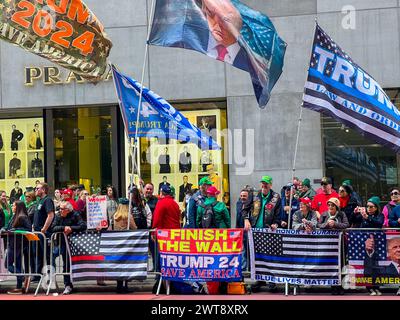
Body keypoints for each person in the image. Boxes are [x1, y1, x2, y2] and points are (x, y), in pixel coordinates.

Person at [194, 0, 249, 71]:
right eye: (210, 14)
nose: (217, 23)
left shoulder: (244, 53)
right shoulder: (202, 43)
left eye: (224, 18)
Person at [249, 176, 281, 293]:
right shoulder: (254, 195)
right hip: (255, 231)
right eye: (262, 183)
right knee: (257, 257)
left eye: (266, 183)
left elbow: (278, 214)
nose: (264, 185)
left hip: (268, 231)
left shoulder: (276, 197)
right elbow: (245, 209)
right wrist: (247, 220)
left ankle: (272, 281)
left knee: (270, 256)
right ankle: (259, 279)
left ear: (270, 185)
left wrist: (275, 224)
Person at [51, 201, 86, 295]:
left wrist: (71, 228)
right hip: (60, 242)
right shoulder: (58, 215)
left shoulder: (75, 214)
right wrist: (64, 228)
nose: (60, 210)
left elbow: (83, 225)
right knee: (55, 258)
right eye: (59, 208)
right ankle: (57, 280)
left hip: (73, 243)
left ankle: (69, 284)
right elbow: (53, 227)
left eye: (62, 209)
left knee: (68, 264)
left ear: (68, 210)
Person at [151, 184, 181, 293]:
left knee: (162, 261)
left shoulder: (161, 203)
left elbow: (157, 219)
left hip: (164, 236)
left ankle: (162, 286)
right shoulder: (175, 204)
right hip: (175, 236)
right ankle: (172, 284)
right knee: (172, 261)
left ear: (161, 192)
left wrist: (154, 232)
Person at [317, 197, 349, 295]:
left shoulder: (342, 214)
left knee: (342, 265)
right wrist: (326, 224)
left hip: (340, 244)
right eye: (329, 205)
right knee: (332, 265)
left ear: (337, 207)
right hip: (328, 244)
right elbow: (318, 225)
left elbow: (346, 224)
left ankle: (341, 287)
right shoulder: (324, 214)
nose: (330, 207)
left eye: (333, 205)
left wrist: (335, 224)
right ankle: (333, 286)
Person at [5, 200, 31, 294]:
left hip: (18, 244)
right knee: (18, 265)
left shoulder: (22, 217)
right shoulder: (14, 216)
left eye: (14, 205)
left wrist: (16, 229)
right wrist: (4, 229)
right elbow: (8, 227)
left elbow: (28, 229)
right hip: (13, 243)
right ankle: (19, 287)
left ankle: (23, 277)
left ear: (18, 207)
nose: (12, 206)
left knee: (7, 265)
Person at [113, 197, 137, 293]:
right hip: (127, 243)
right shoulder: (128, 216)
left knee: (119, 265)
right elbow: (134, 228)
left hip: (117, 243)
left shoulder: (115, 216)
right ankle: (125, 286)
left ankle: (119, 286)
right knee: (126, 265)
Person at [32, 182, 55, 280]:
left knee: (48, 256)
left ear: (44, 190)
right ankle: (38, 276)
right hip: (37, 233)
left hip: (44, 233)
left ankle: (51, 277)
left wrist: (44, 229)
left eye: (37, 188)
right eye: (35, 188)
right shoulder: (39, 201)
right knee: (38, 254)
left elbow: (50, 215)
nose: (35, 190)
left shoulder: (47, 200)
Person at [236, 189, 250, 271]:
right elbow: (238, 216)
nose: (242, 197)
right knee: (242, 249)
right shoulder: (238, 203)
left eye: (244, 196)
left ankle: (249, 267)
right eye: (241, 196)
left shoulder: (251, 205)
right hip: (240, 229)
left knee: (248, 249)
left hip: (248, 229)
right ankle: (244, 267)